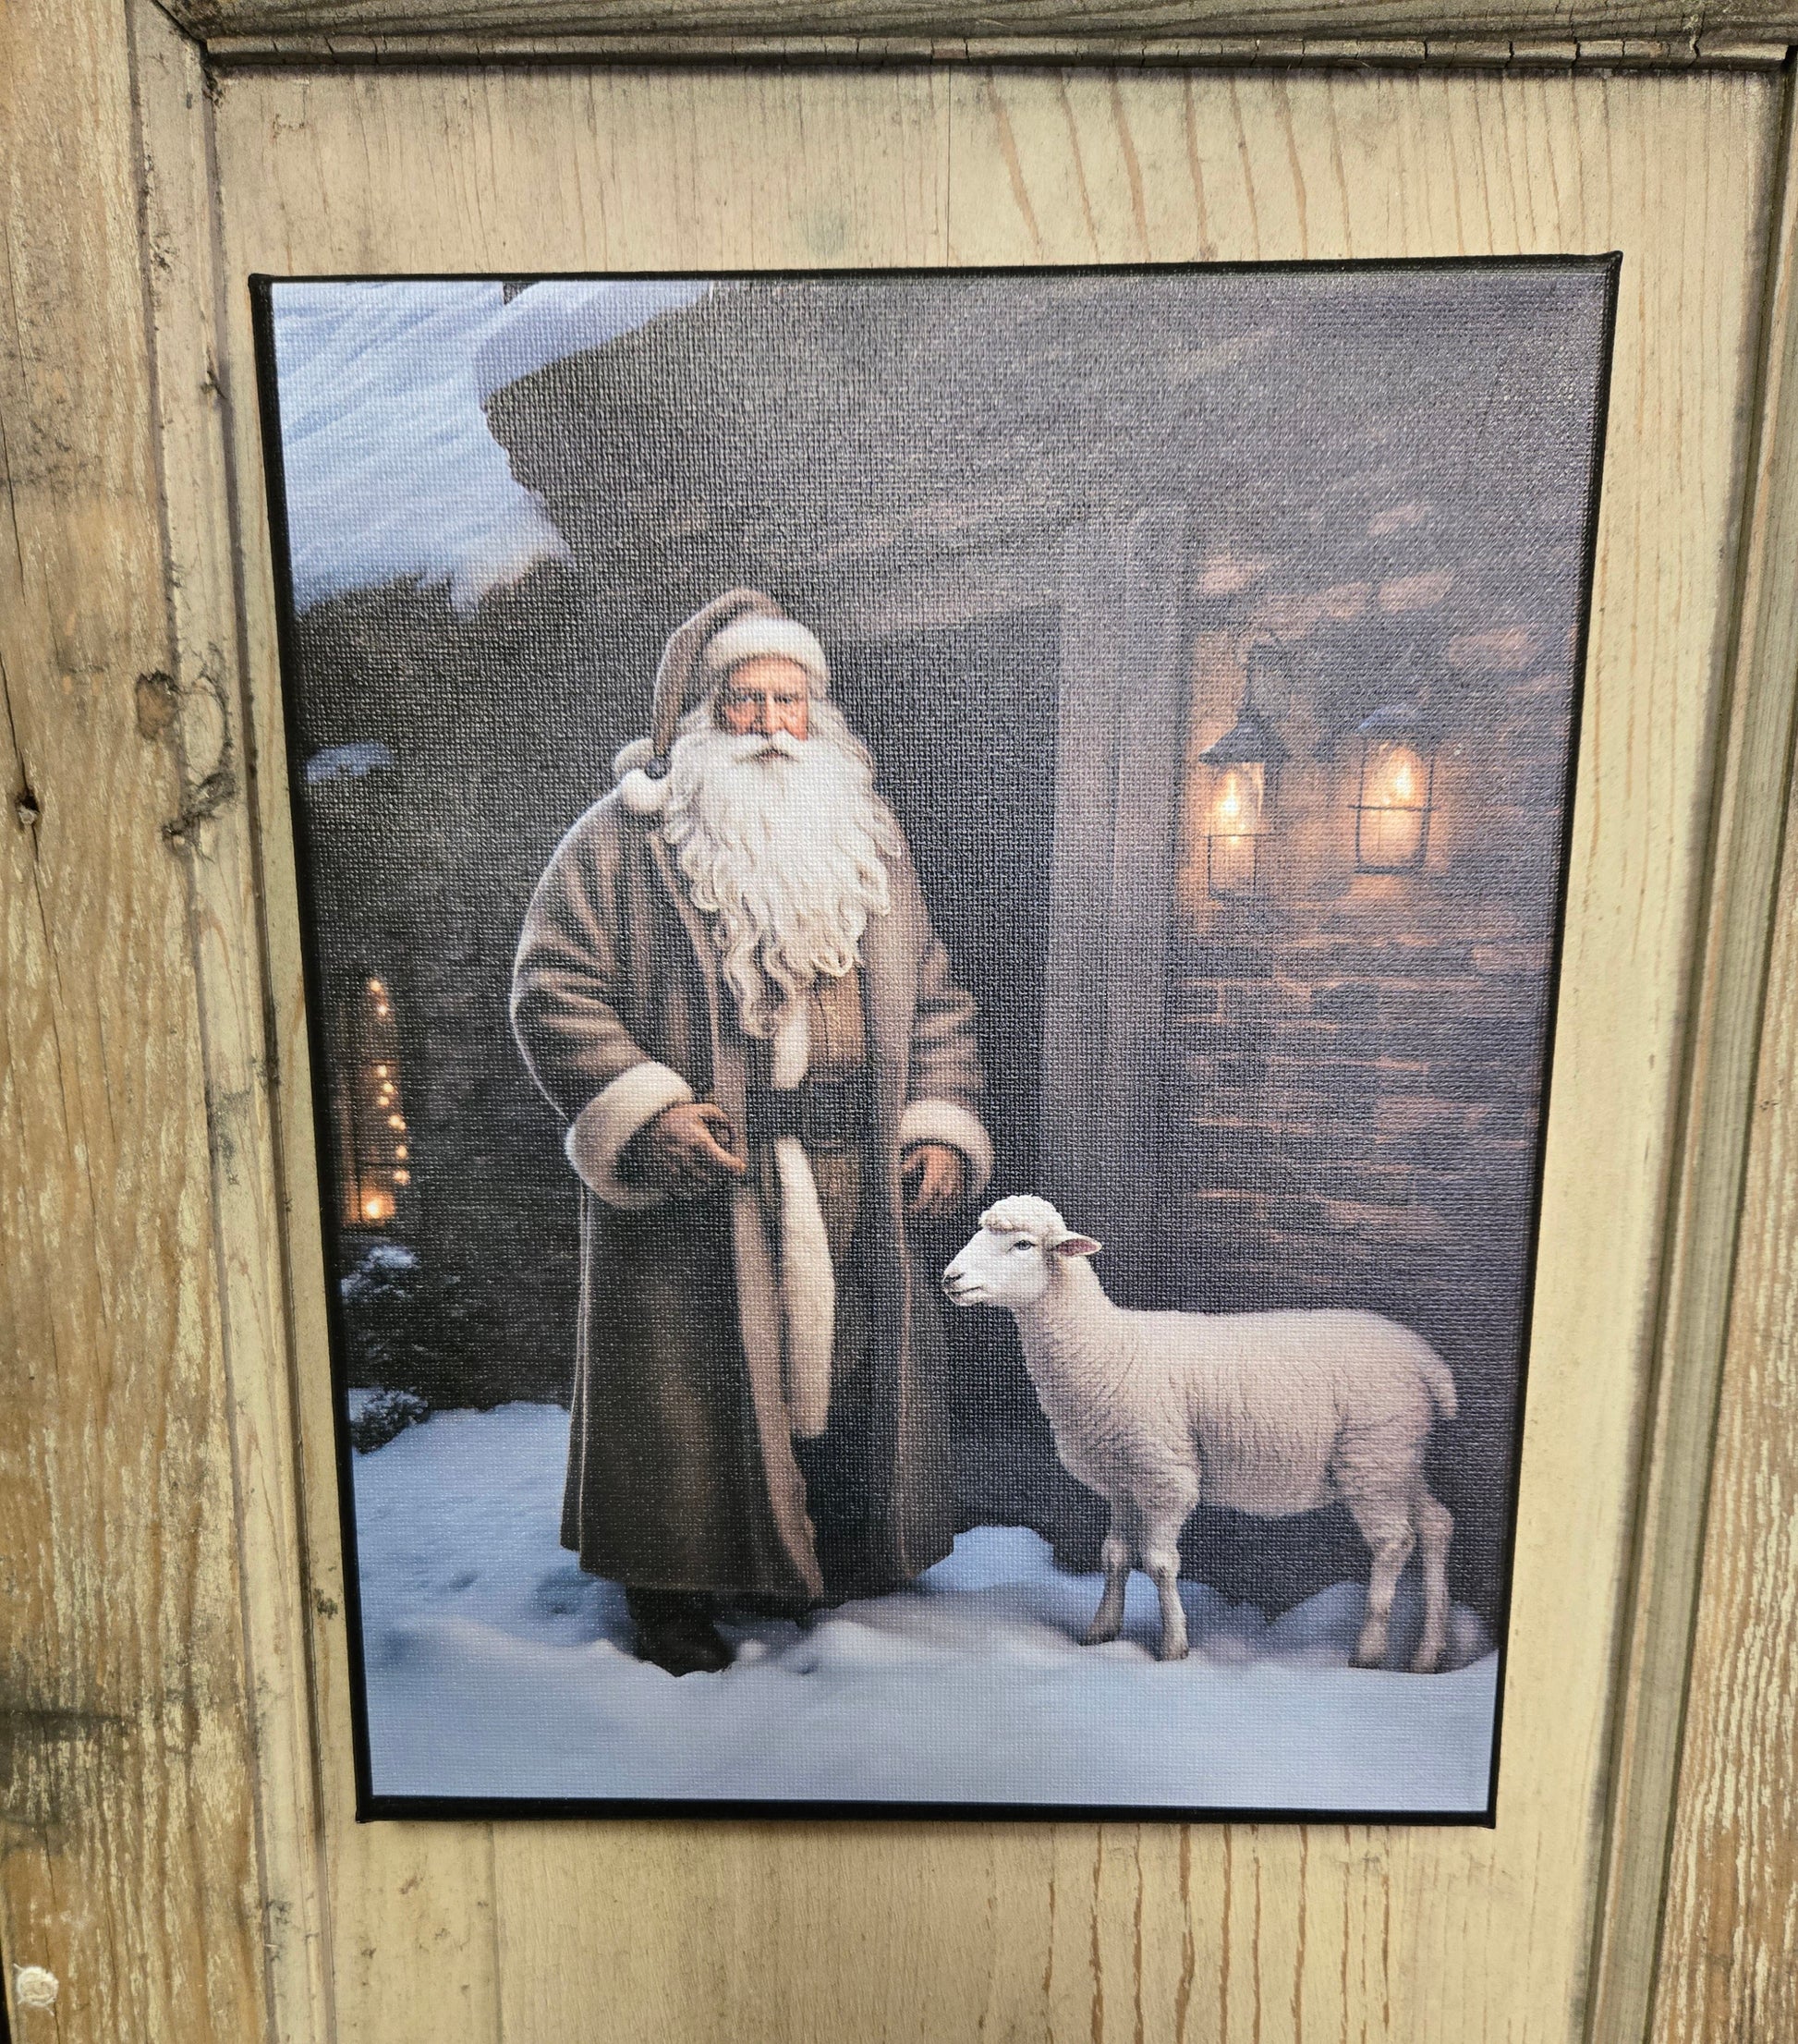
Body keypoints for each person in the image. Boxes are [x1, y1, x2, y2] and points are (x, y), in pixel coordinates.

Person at [511, 590, 991, 1675]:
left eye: (792, 700)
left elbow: (936, 1000)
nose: (775, 724)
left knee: (835, 1366)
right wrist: (650, 1111)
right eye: (748, 702)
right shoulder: (624, 842)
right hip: (707, 1175)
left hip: (845, 1166)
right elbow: (554, 987)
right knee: (692, 1387)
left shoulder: (867, 842)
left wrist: (939, 1126)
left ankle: (817, 1556)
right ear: (700, 717)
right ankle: (670, 1591)